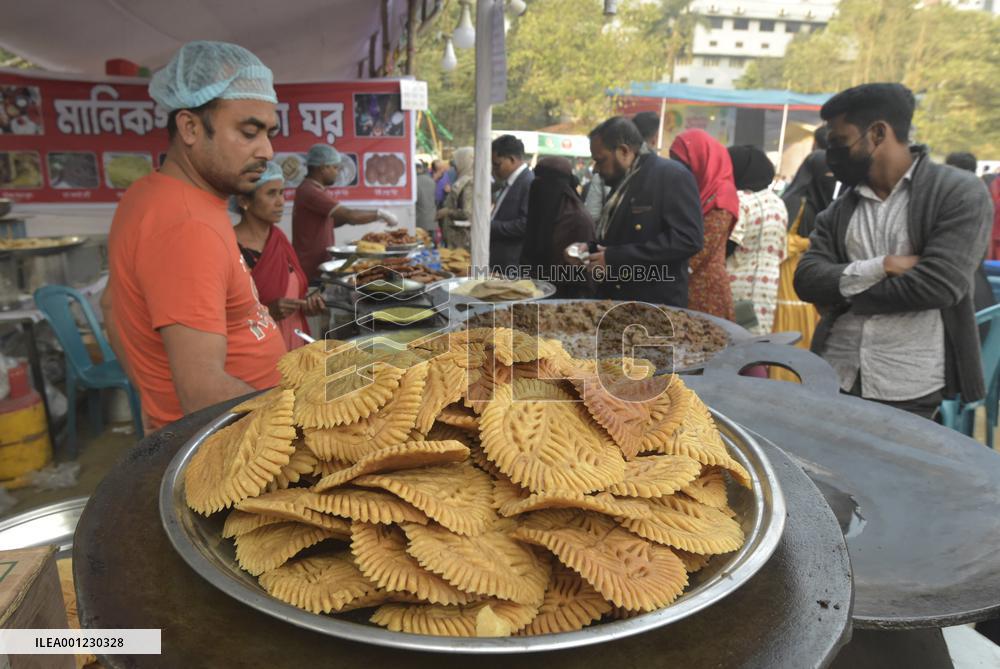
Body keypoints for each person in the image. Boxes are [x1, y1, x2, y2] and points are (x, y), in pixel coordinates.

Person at [105, 41, 286, 429]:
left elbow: (110, 307)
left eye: (269, 133)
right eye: (249, 132)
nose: (267, 151)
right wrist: (307, 416)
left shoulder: (154, 194)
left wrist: (154, 397)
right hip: (229, 443)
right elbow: (203, 392)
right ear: (189, 127)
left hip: (217, 431)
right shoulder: (186, 225)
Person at [795, 83, 993, 419]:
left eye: (840, 142)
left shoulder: (958, 193)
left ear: (877, 134)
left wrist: (842, 293)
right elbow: (807, 279)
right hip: (835, 372)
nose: (833, 155)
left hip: (908, 383)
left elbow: (940, 285)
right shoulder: (840, 209)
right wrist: (884, 265)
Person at [570, 116, 702, 306]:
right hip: (616, 303)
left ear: (624, 151)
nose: (596, 169)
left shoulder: (671, 175)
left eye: (601, 160)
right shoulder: (623, 180)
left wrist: (615, 258)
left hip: (654, 307)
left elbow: (688, 239)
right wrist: (589, 250)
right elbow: (623, 236)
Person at [231, 161, 325, 352]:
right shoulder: (230, 248)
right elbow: (225, 317)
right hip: (256, 353)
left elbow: (291, 292)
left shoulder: (279, 239)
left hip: (294, 345)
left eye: (281, 193)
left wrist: (305, 305)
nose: (281, 201)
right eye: (271, 193)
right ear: (244, 201)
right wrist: (268, 312)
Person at [291, 144, 398, 282]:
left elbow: (333, 221)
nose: (337, 172)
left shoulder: (315, 189)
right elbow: (349, 215)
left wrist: (355, 219)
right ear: (323, 168)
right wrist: (380, 214)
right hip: (311, 266)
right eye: (335, 167)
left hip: (319, 260)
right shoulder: (311, 191)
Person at [669, 129, 740, 320]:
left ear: (701, 161)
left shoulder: (721, 196)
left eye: (683, 165)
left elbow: (699, 249)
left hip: (706, 292)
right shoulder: (696, 194)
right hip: (682, 284)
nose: (678, 172)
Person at [726, 145, 788, 334]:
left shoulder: (739, 201)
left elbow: (728, 247)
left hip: (736, 289)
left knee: (731, 346)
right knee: (758, 348)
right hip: (767, 289)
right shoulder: (778, 203)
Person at [520, 157, 596, 298]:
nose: (539, 186)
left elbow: (583, 276)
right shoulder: (542, 210)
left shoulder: (578, 219)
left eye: (545, 181)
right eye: (537, 180)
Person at [490, 135, 535, 272]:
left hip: (511, 262)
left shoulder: (528, 182)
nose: (494, 170)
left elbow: (524, 225)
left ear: (512, 159)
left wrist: (489, 226)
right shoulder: (510, 181)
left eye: (497, 165)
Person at [436, 147, 474, 250]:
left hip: (461, 242)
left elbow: (468, 213)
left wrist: (447, 212)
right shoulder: (462, 180)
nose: (455, 167)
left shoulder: (469, 183)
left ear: (465, 161)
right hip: (454, 239)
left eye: (456, 162)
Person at [415, 161, 437, 234]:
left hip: (419, 221)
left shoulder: (414, 182)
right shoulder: (431, 181)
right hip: (432, 220)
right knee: (432, 243)